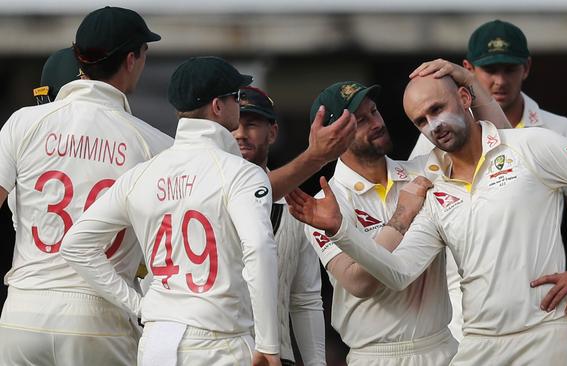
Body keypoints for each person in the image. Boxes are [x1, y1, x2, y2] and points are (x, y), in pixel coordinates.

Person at [289, 73, 567, 365]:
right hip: (461, 348)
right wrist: (341, 230)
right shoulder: (422, 187)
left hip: (525, 338)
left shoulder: (426, 174)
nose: (434, 125)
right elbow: (387, 276)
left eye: (374, 112)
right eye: (421, 120)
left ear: (464, 96)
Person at [409, 19, 567, 365]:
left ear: (526, 68)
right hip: (462, 322)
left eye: (509, 68)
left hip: (542, 319)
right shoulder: (435, 133)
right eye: (488, 70)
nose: (499, 80)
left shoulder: (558, 129)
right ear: (468, 70)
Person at [61, 56, 281, 366]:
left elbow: (75, 245)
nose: (239, 107)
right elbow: (259, 247)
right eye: (236, 98)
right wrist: (269, 343)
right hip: (220, 342)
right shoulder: (241, 173)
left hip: (155, 343)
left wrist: (139, 305)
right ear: (218, 106)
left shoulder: (141, 175)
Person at [296, 61, 507, 365]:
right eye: (360, 120)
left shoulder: (425, 169)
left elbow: (503, 149)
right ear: (334, 137)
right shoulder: (324, 205)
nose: (376, 122)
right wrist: (402, 217)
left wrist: (468, 80)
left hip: (443, 347)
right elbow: (359, 283)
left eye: (374, 112)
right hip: (375, 356)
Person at [0, 6, 172, 365]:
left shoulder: (23, 122)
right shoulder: (155, 144)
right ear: (131, 59)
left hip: (22, 312)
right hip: (100, 316)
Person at [233, 85, 326, 365]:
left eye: (251, 125)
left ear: (272, 132)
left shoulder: (294, 204)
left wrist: (316, 363)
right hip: (215, 354)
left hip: (276, 357)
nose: (240, 134)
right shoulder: (201, 195)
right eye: (233, 125)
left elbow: (305, 298)